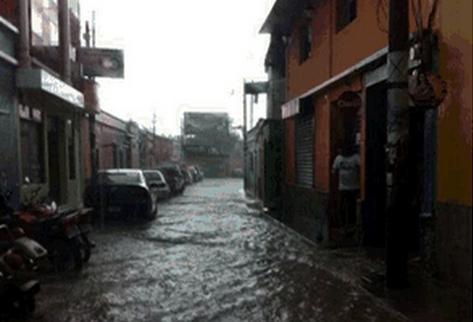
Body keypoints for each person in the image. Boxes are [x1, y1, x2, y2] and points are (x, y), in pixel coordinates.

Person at [332, 145, 360, 235]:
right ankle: (343, 226)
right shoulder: (338, 158)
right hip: (343, 187)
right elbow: (334, 171)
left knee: (351, 207)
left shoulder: (356, 158)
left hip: (354, 187)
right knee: (342, 207)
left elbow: (361, 168)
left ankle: (351, 225)